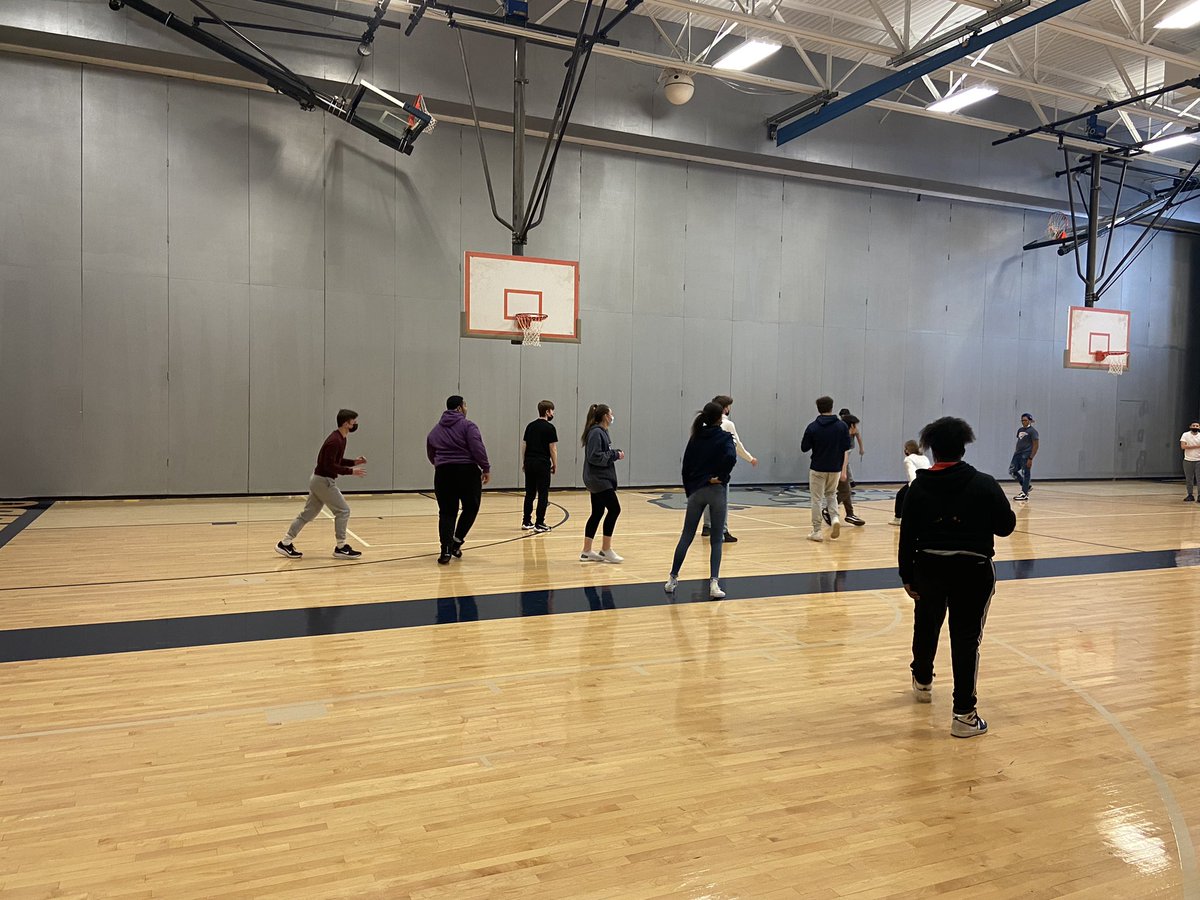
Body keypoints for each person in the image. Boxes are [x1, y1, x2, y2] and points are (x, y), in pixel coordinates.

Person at [899, 416, 1016, 739]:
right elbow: (1006, 526)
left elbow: (906, 537)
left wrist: (906, 575)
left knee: (926, 624)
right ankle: (963, 715)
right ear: (964, 447)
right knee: (966, 639)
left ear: (932, 450)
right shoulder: (984, 483)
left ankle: (922, 680)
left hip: (928, 569)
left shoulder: (918, 487)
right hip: (974, 571)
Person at [665, 402, 738, 599]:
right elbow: (731, 458)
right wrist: (720, 476)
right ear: (720, 418)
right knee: (716, 540)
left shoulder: (696, 437)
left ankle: (672, 579)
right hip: (717, 491)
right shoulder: (724, 437)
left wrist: (692, 487)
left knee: (686, 536)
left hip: (697, 491)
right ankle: (714, 583)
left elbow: (686, 465)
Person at [276, 409, 366, 559]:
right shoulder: (334, 441)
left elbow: (336, 461)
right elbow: (328, 466)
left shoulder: (341, 438)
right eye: (353, 421)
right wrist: (351, 472)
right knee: (343, 511)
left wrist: (354, 462)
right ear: (346, 423)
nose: (356, 423)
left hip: (318, 480)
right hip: (323, 481)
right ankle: (341, 547)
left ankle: (285, 543)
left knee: (307, 514)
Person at [427, 395, 491, 565]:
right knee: (471, 506)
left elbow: (431, 450)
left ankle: (445, 550)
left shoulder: (436, 429)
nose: (466, 408)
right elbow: (478, 447)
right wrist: (485, 468)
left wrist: (439, 464)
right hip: (466, 472)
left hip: (443, 473)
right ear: (459, 408)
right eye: (465, 405)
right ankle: (457, 541)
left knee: (447, 512)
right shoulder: (468, 426)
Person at [701, 394, 757, 543]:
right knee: (721, 499)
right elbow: (736, 445)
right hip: (719, 466)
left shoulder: (702, 423)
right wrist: (749, 458)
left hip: (704, 466)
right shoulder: (727, 424)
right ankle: (723, 531)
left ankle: (707, 526)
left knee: (707, 496)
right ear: (724, 408)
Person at [801, 396, 852, 542]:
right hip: (835, 468)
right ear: (831, 407)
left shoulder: (813, 427)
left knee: (816, 499)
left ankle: (817, 531)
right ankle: (835, 518)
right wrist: (843, 470)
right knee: (832, 495)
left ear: (818, 408)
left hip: (818, 467)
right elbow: (846, 448)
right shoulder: (842, 427)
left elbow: (804, 447)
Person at [580, 403, 624, 563]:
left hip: (597, 479)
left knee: (597, 513)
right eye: (611, 413)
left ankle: (586, 551)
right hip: (599, 480)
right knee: (614, 509)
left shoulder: (601, 432)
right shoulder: (596, 433)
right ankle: (606, 549)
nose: (612, 416)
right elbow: (595, 456)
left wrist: (613, 453)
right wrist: (614, 455)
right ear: (605, 416)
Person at [521, 400, 558, 532]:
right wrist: (555, 463)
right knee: (543, 493)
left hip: (529, 462)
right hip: (542, 463)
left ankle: (526, 521)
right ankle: (540, 523)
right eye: (552, 410)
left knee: (529, 493)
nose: (553, 413)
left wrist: (524, 461)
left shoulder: (530, 426)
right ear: (547, 411)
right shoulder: (550, 428)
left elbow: (524, 445)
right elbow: (552, 448)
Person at [832, 409, 865, 526]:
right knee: (846, 490)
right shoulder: (842, 438)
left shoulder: (844, 434)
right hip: (835, 468)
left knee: (846, 490)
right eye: (855, 425)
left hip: (839, 466)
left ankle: (850, 514)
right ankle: (829, 509)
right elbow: (841, 458)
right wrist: (843, 472)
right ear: (851, 425)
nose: (856, 428)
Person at [890, 439, 931, 526]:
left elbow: (911, 472)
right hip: (928, 481)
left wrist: (913, 486)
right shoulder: (924, 457)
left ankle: (898, 518)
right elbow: (929, 468)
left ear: (907, 450)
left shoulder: (908, 459)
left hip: (917, 482)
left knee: (901, 496)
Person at [1009, 412, 1039, 501]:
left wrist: (1031, 458)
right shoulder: (1020, 430)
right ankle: (1026, 486)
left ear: (1030, 421)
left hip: (1026, 454)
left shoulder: (1033, 432)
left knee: (1025, 472)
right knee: (1012, 471)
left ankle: (1024, 493)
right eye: (1022, 420)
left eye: (1025, 420)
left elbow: (1036, 445)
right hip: (1018, 454)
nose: (1023, 422)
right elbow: (1019, 441)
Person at [1181, 421, 1200, 501]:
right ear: (1190, 426)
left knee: (1199, 479)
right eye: (1193, 425)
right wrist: (1197, 446)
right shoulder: (1185, 435)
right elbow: (1183, 446)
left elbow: (1186, 446)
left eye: (1197, 426)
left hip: (1199, 460)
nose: (1195, 427)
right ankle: (1190, 495)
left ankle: (1199, 496)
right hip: (1188, 460)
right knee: (1189, 479)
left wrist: (1189, 446)